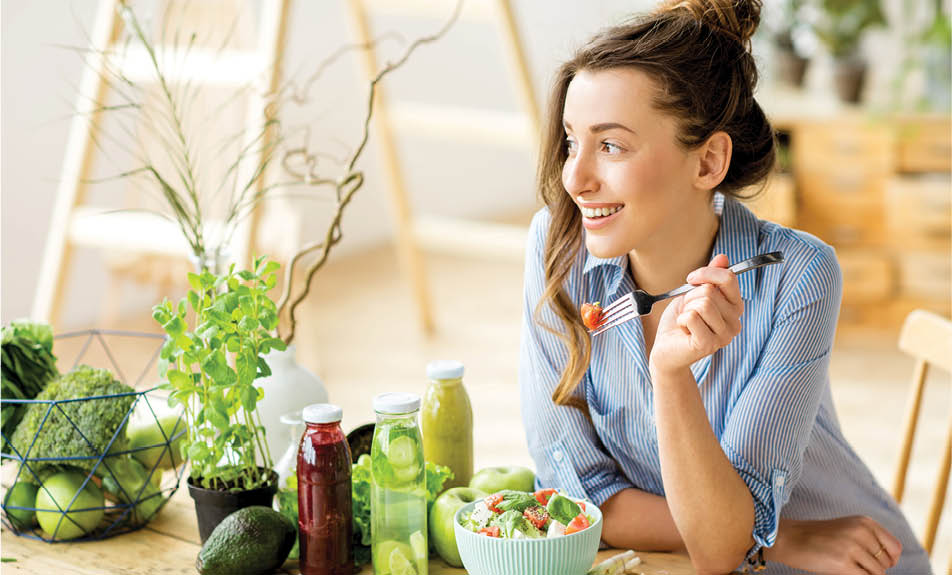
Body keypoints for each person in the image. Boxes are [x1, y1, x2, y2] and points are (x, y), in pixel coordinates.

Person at [518, 1, 932, 573]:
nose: (575, 178)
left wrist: (670, 373)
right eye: (571, 141)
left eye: (610, 145)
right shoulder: (556, 246)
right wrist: (775, 537)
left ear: (708, 161)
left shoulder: (797, 276)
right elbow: (574, 496)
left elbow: (718, 550)